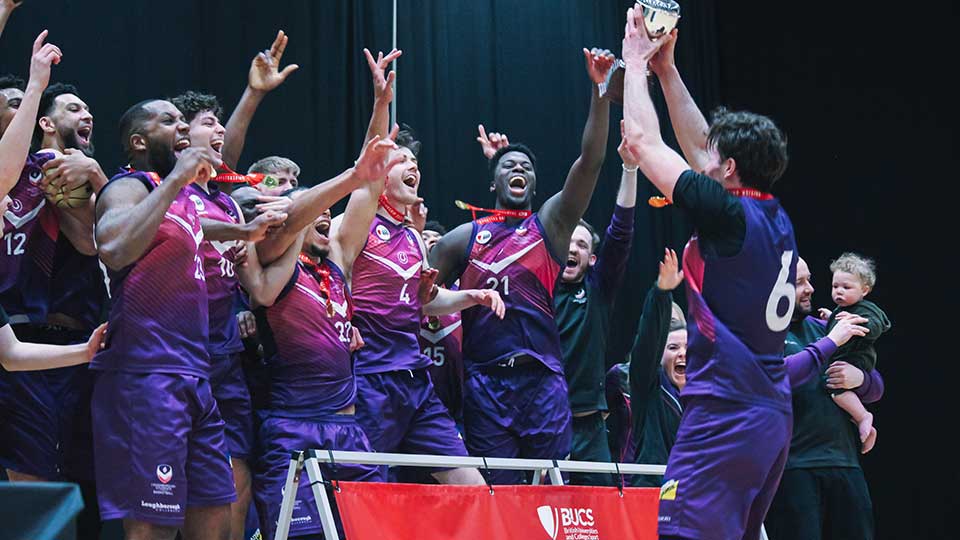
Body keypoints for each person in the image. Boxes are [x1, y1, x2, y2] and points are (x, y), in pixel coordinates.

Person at [621, 7, 799, 537]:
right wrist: (669, 70)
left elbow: (645, 143)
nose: (706, 156)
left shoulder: (727, 215)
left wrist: (635, 63)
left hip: (725, 413)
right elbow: (701, 149)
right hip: (769, 416)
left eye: (716, 158)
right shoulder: (772, 214)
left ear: (730, 170)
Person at [429, 47, 615, 484]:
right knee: (499, 501)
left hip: (544, 384)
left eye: (526, 167)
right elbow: (414, 298)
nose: (518, 169)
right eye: (509, 164)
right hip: (485, 387)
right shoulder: (462, 239)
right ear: (493, 180)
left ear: (534, 182)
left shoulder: (551, 225)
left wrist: (600, 90)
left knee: (552, 500)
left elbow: (591, 162)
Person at [346, 49, 504, 486]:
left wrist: (469, 297)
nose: (413, 165)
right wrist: (381, 104)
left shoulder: (414, 236)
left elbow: (425, 303)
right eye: (401, 161)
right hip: (370, 382)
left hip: (417, 383)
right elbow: (368, 168)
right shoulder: (358, 222)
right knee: (364, 500)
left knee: (473, 490)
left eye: (415, 162)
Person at [169, 32, 296, 537]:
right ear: (180, 137)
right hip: (178, 352)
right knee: (174, 484)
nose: (219, 130)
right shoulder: (162, 187)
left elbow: (228, 157)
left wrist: (254, 94)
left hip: (225, 354)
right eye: (207, 124)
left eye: (221, 122)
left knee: (235, 478)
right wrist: (252, 96)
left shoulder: (224, 198)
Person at [249, 126, 405, 538]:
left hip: (350, 428)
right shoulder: (271, 255)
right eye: (312, 210)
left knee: (370, 531)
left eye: (326, 212)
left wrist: (379, 102)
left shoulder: (336, 258)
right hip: (293, 427)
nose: (324, 215)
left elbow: (369, 186)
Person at [92, 99, 234, 538]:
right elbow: (113, 249)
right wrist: (176, 178)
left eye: (182, 121)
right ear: (139, 141)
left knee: (215, 521)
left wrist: (246, 232)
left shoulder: (184, 199)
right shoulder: (127, 187)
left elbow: (198, 224)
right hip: (147, 375)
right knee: (152, 527)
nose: (182, 127)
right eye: (168, 120)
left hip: (196, 375)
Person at [31, 80, 110, 538]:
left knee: (86, 469)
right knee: (37, 469)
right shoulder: (30, 171)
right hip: (32, 342)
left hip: (83, 343)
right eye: (75, 108)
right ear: (46, 122)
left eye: (89, 109)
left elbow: (98, 243)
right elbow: (92, 241)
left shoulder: (86, 173)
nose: (87, 115)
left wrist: (97, 179)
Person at [765, 257, 885, 540]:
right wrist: (831, 342)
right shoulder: (759, 335)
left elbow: (877, 386)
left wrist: (860, 379)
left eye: (808, 280)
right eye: (798, 283)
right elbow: (777, 379)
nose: (809, 289)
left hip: (844, 462)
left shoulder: (824, 326)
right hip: (794, 468)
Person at [554, 128, 636, 486]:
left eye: (582, 245)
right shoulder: (536, 286)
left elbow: (620, 232)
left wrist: (630, 169)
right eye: (568, 240)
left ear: (591, 258)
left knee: (601, 516)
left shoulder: (598, 289)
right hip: (546, 420)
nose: (573, 248)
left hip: (591, 428)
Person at [820, 252, 890, 454]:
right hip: (846, 357)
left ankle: (862, 416)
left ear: (865, 290)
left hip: (857, 358)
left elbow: (877, 327)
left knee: (835, 390)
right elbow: (837, 323)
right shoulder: (842, 309)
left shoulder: (867, 309)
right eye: (835, 287)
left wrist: (858, 321)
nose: (838, 292)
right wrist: (829, 317)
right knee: (834, 384)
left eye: (846, 287)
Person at [417, 220, 466, 425]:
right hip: (413, 402)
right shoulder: (400, 294)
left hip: (458, 409)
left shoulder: (462, 294)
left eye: (437, 240)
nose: (431, 243)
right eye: (425, 238)